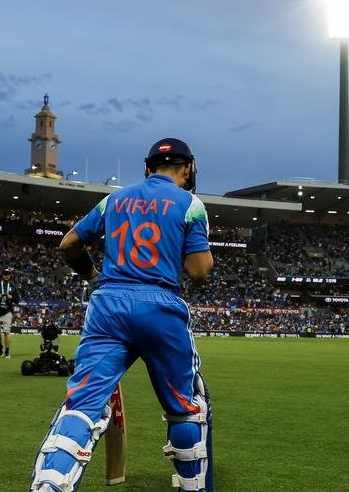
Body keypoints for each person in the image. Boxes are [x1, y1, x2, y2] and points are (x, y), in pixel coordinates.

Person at [29, 138, 215, 492]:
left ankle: (48, 485)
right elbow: (199, 270)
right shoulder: (190, 204)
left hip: (107, 306)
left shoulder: (114, 200)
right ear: (189, 168)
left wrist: (92, 276)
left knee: (82, 406)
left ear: (147, 168)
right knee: (186, 408)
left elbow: (69, 243)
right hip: (160, 305)